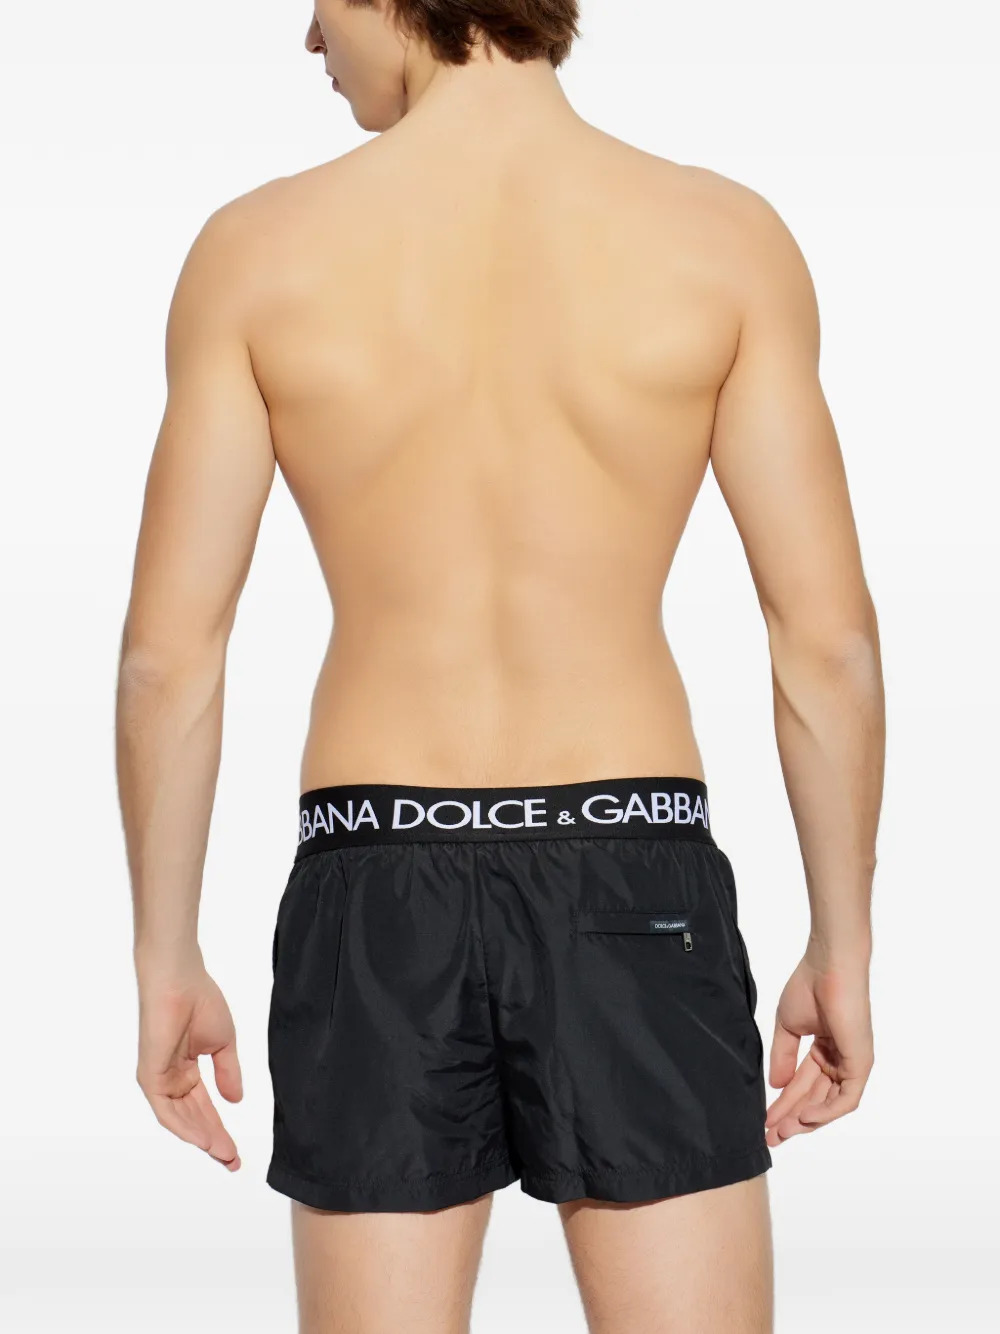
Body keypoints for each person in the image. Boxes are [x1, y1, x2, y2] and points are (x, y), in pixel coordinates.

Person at [115, 3, 884, 1330]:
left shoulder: (255, 253)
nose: (309, 36)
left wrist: (164, 956)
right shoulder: (722, 240)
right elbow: (828, 644)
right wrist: (844, 943)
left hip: (376, 877)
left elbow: (166, 659)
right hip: (632, 867)